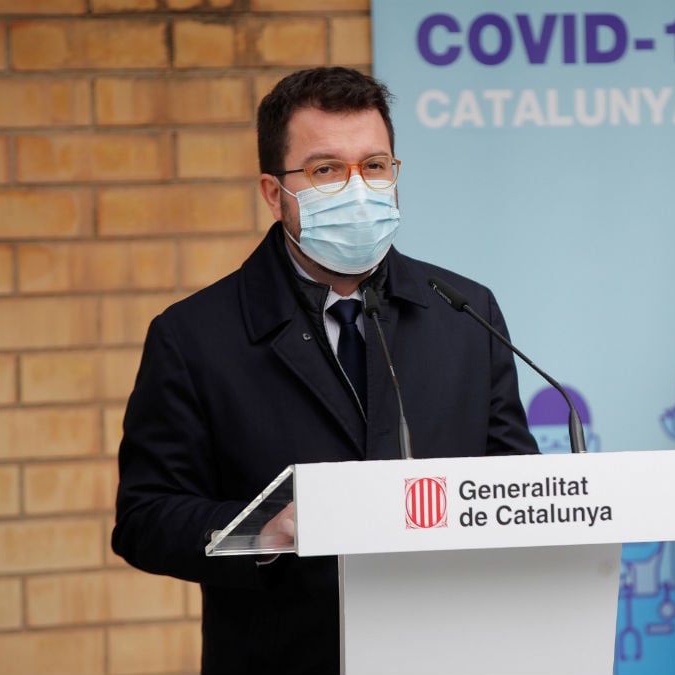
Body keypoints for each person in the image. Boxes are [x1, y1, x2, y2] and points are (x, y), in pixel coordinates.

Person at [111, 66, 539, 675]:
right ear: (272, 191)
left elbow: (513, 481)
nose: (358, 188)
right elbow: (145, 519)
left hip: (448, 650)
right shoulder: (193, 337)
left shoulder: (466, 312)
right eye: (326, 169)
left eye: (375, 165)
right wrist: (267, 530)